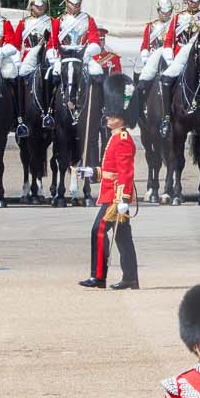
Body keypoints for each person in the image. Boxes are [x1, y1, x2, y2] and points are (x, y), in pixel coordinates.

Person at [82, 75, 139, 289]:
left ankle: (98, 276)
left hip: (116, 198)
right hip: (112, 194)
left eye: (112, 114)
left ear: (122, 117)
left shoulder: (123, 140)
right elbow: (109, 171)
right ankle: (130, 278)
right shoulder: (115, 138)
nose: (107, 117)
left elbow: (126, 173)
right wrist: (91, 172)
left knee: (98, 230)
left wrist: (123, 199)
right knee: (123, 238)